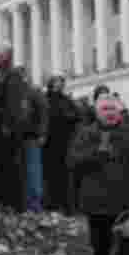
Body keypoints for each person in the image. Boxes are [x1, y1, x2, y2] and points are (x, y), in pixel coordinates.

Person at [67, 92, 129, 255]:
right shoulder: (86, 134)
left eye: (113, 109)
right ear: (97, 112)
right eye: (105, 109)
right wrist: (95, 155)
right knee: (100, 252)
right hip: (95, 206)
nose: (110, 113)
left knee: (125, 254)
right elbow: (72, 162)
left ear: (120, 111)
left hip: (124, 207)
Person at [0, 44, 29, 213]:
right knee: (1, 165)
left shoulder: (12, 74)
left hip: (7, 126)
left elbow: (13, 103)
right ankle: (4, 201)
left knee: (11, 166)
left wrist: (8, 125)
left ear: (6, 55)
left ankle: (15, 203)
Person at [43, 75, 80, 212]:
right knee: (51, 174)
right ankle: (52, 204)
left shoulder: (66, 100)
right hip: (50, 143)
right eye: (57, 82)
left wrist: (68, 119)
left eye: (61, 82)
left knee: (64, 174)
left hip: (64, 142)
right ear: (51, 83)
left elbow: (77, 116)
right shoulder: (46, 99)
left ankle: (66, 205)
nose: (60, 84)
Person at [22, 81, 49, 213]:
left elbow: (43, 113)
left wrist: (42, 133)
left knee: (33, 170)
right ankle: (30, 203)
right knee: (29, 171)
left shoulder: (33, 93)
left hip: (31, 137)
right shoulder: (27, 93)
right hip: (23, 137)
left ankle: (34, 203)